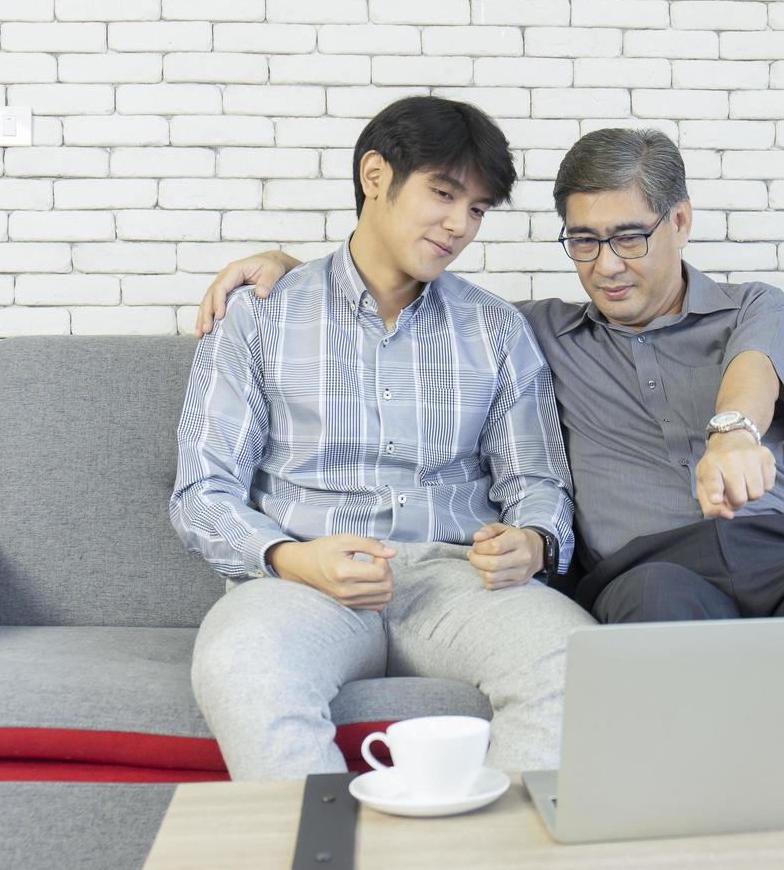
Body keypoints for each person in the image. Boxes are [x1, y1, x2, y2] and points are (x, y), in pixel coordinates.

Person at [198, 128, 784, 748]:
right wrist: (295, 272)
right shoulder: (534, 332)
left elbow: (754, 373)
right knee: (658, 604)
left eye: (629, 237)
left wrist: (734, 434)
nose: (605, 266)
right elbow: (406, 308)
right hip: (653, 569)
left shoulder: (756, 307)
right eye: (583, 240)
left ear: (680, 221)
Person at [170, 96, 594, 780]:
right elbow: (202, 493)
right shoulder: (260, 316)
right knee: (241, 661)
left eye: (478, 209)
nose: (460, 225)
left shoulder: (495, 329)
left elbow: (537, 482)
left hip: (457, 584)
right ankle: (323, 851)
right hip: (303, 583)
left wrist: (535, 541)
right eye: (444, 193)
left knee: (578, 660)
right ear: (376, 175)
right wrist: (290, 558)